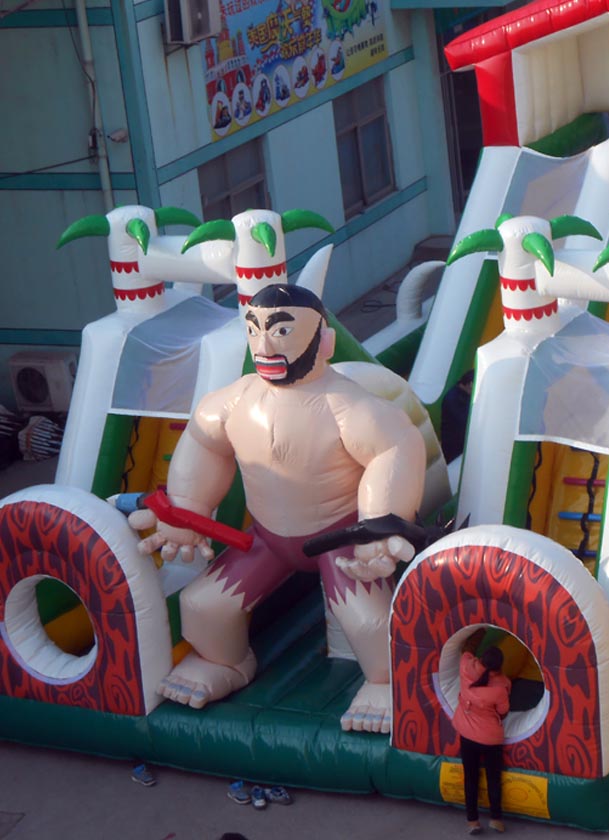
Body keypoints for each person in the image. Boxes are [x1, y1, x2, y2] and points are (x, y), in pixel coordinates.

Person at [129, 283, 426, 733]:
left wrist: (377, 526)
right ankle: (223, 661)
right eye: (255, 330)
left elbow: (396, 449)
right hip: (267, 538)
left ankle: (388, 682)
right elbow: (203, 441)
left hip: (338, 538)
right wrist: (189, 509)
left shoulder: (347, 406)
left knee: (367, 622)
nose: (265, 346)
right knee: (203, 605)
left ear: (323, 341)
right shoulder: (236, 400)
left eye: (282, 331)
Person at [452, 631, 512, 834]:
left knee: (470, 779)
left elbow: (467, 649)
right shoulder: (502, 685)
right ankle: (495, 819)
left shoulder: (465, 666)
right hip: (490, 739)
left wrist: (480, 629)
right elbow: (503, 712)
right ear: (499, 666)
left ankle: (473, 822)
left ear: (481, 659)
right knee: (493, 778)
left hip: (468, 736)